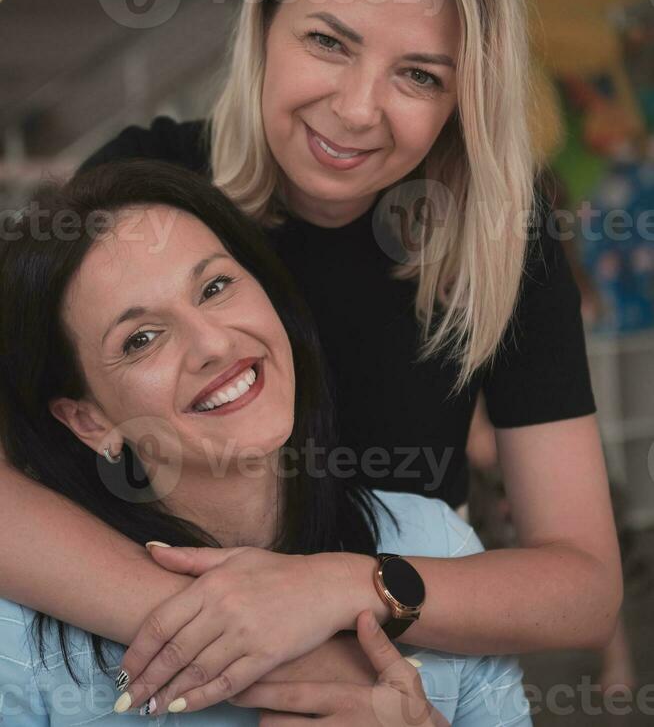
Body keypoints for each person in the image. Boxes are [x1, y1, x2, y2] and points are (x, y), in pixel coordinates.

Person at [0, 0, 621, 712]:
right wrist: (262, 643)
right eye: (328, 41)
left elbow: (583, 585)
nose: (358, 110)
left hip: (412, 666)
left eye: (420, 75)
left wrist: (339, 591)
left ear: (461, 101)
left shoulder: (502, 244)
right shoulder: (152, 181)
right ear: (264, 27)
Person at [0, 160, 531, 726]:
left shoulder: (434, 544)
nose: (212, 342)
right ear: (88, 421)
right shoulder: (22, 641)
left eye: (215, 286)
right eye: (142, 339)